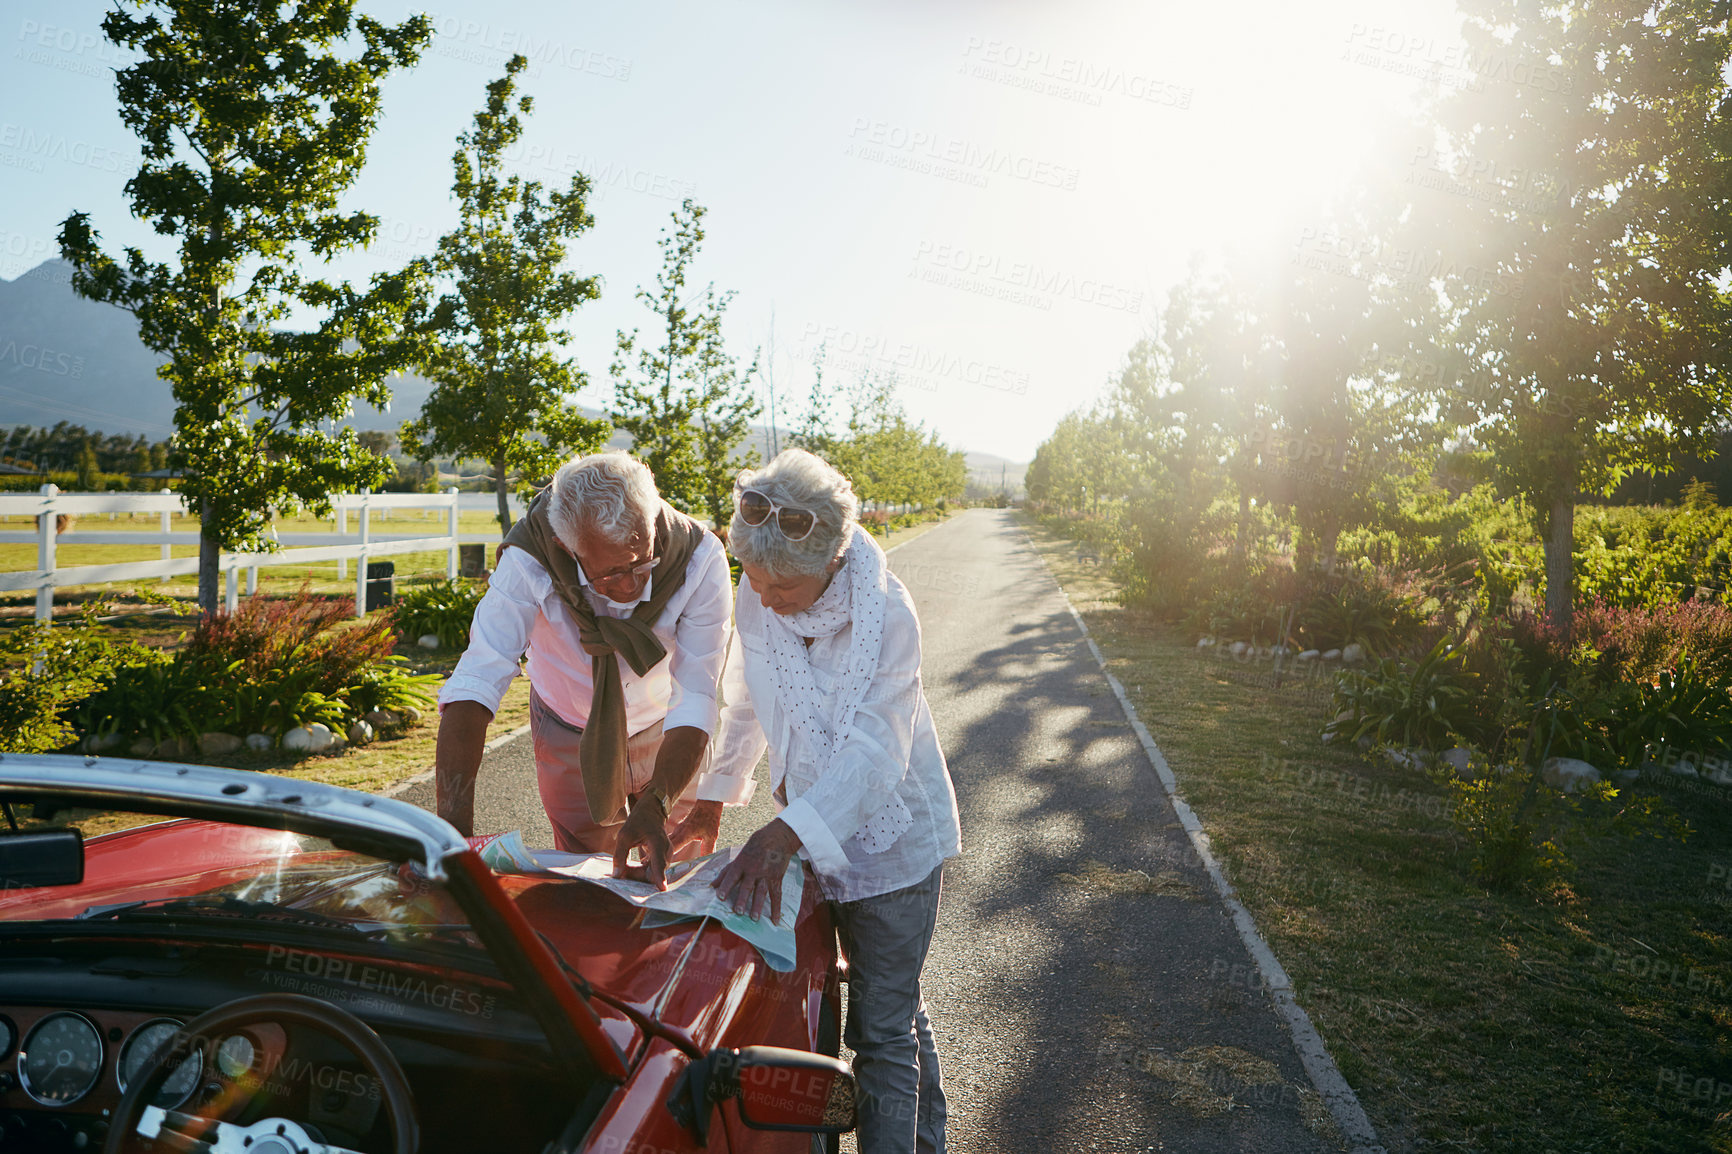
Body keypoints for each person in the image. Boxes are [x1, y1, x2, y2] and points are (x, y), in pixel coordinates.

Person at [688, 448, 960, 1154]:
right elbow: (748, 697)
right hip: (812, 832)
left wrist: (780, 836)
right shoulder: (759, 590)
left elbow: (876, 755)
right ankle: (926, 1140)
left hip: (894, 843)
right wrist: (718, 793)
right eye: (753, 576)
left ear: (833, 562)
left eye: (783, 583)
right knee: (884, 1008)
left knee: (880, 1029)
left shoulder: (889, 615)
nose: (765, 596)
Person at [434, 452, 732, 885]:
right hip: (569, 729)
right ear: (565, 545)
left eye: (643, 562)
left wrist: (659, 803)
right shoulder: (527, 560)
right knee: (591, 883)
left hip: (670, 728)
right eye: (610, 574)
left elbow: (697, 693)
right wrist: (453, 839)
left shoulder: (700, 557)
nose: (631, 587)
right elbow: (477, 680)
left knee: (677, 874)